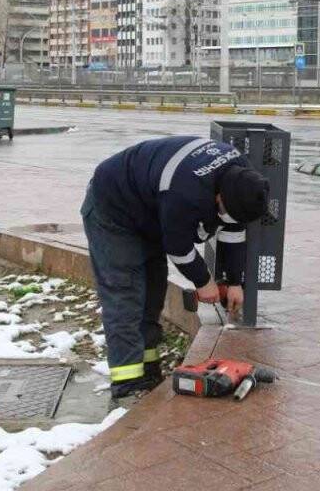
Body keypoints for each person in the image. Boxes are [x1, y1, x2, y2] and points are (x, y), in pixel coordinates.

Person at [81, 136, 270, 399]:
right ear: (218, 196)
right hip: (114, 211)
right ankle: (127, 385)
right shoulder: (185, 191)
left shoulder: (242, 181)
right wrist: (204, 282)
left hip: (150, 210)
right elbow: (179, 248)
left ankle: (147, 369)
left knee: (153, 288)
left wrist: (235, 281)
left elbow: (234, 232)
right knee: (125, 295)